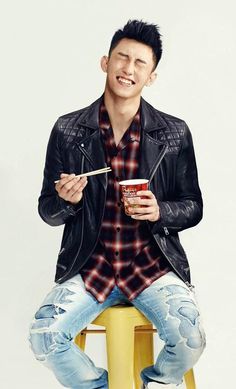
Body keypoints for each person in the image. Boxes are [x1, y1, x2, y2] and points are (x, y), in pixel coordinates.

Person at [29, 19, 206, 389]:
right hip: (91, 267)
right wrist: (65, 201)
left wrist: (161, 211)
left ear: (151, 76)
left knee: (191, 340)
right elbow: (47, 210)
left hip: (151, 268)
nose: (128, 69)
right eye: (122, 58)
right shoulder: (68, 129)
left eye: (140, 63)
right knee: (44, 336)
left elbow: (193, 205)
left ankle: (155, 383)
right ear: (105, 62)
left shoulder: (173, 133)